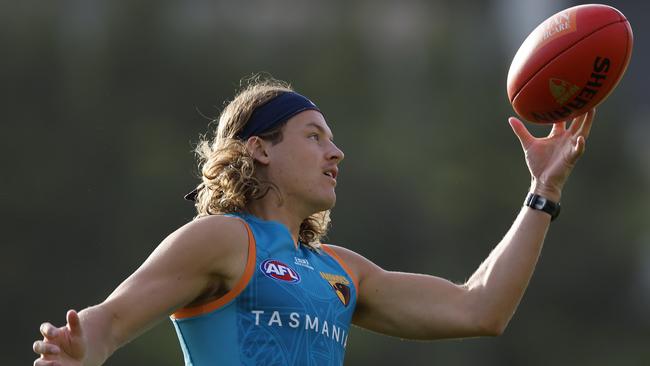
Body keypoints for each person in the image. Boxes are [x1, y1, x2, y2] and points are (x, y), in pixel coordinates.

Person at [33, 77, 595, 366]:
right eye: (314, 136)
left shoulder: (341, 272)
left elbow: (480, 307)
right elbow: (106, 324)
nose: (336, 152)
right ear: (259, 150)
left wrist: (542, 191)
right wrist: (81, 349)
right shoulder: (223, 241)